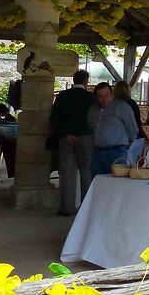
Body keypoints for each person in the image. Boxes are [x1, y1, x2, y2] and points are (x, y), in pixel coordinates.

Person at [50, 70, 95, 217]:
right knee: (86, 172)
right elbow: (95, 119)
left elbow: (54, 119)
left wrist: (65, 134)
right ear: (85, 81)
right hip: (86, 137)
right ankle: (86, 208)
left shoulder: (62, 96)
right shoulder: (90, 98)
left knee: (67, 173)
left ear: (73, 80)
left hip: (66, 138)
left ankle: (66, 208)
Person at [89, 82, 138, 177]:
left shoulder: (122, 107)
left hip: (116, 151)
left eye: (106, 95)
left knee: (116, 182)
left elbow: (132, 129)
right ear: (96, 97)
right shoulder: (93, 109)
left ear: (112, 94)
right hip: (97, 151)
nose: (104, 99)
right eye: (100, 96)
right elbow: (91, 126)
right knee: (97, 181)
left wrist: (128, 143)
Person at [0, 103, 17, 178]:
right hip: (10, 141)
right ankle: (11, 174)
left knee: (9, 158)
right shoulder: (9, 118)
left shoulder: (9, 118)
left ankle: (12, 174)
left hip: (8, 142)